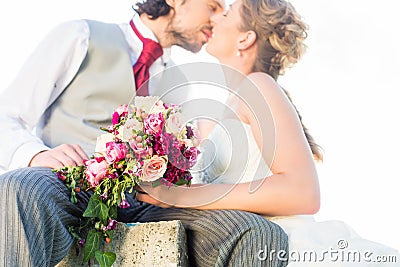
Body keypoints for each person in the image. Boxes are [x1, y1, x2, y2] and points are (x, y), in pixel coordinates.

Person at [0, 0, 290, 266]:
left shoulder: (182, 85)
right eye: (212, 6)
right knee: (21, 186)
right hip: (71, 187)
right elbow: (7, 114)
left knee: (255, 232)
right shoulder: (80, 35)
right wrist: (35, 154)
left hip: (145, 203)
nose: (216, 19)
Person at [135, 0, 400, 265]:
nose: (215, 20)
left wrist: (183, 196)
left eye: (226, 14)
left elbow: (302, 192)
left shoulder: (259, 86)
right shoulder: (230, 103)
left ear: (246, 38)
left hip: (279, 246)